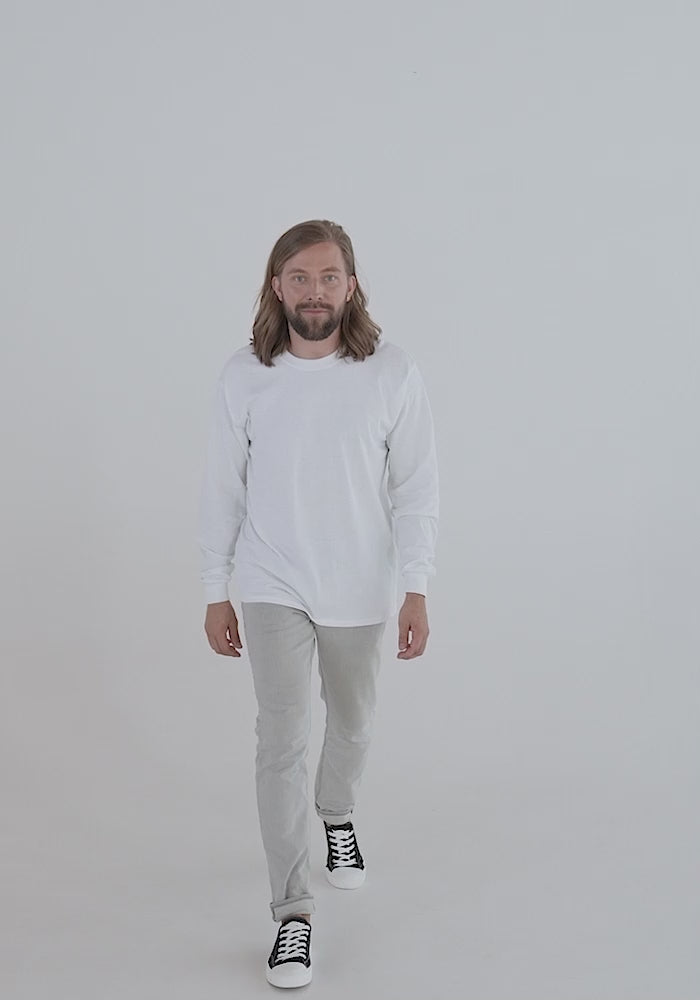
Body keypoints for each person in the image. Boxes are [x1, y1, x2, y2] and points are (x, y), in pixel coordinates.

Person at [197, 219, 439, 987]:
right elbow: (222, 489)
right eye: (299, 277)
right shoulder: (245, 375)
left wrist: (417, 586)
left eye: (329, 276)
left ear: (351, 285)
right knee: (280, 740)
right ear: (276, 286)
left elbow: (416, 487)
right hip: (272, 582)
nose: (314, 291)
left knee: (354, 723)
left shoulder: (390, 372)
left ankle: (337, 815)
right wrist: (215, 590)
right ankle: (292, 915)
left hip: (360, 587)